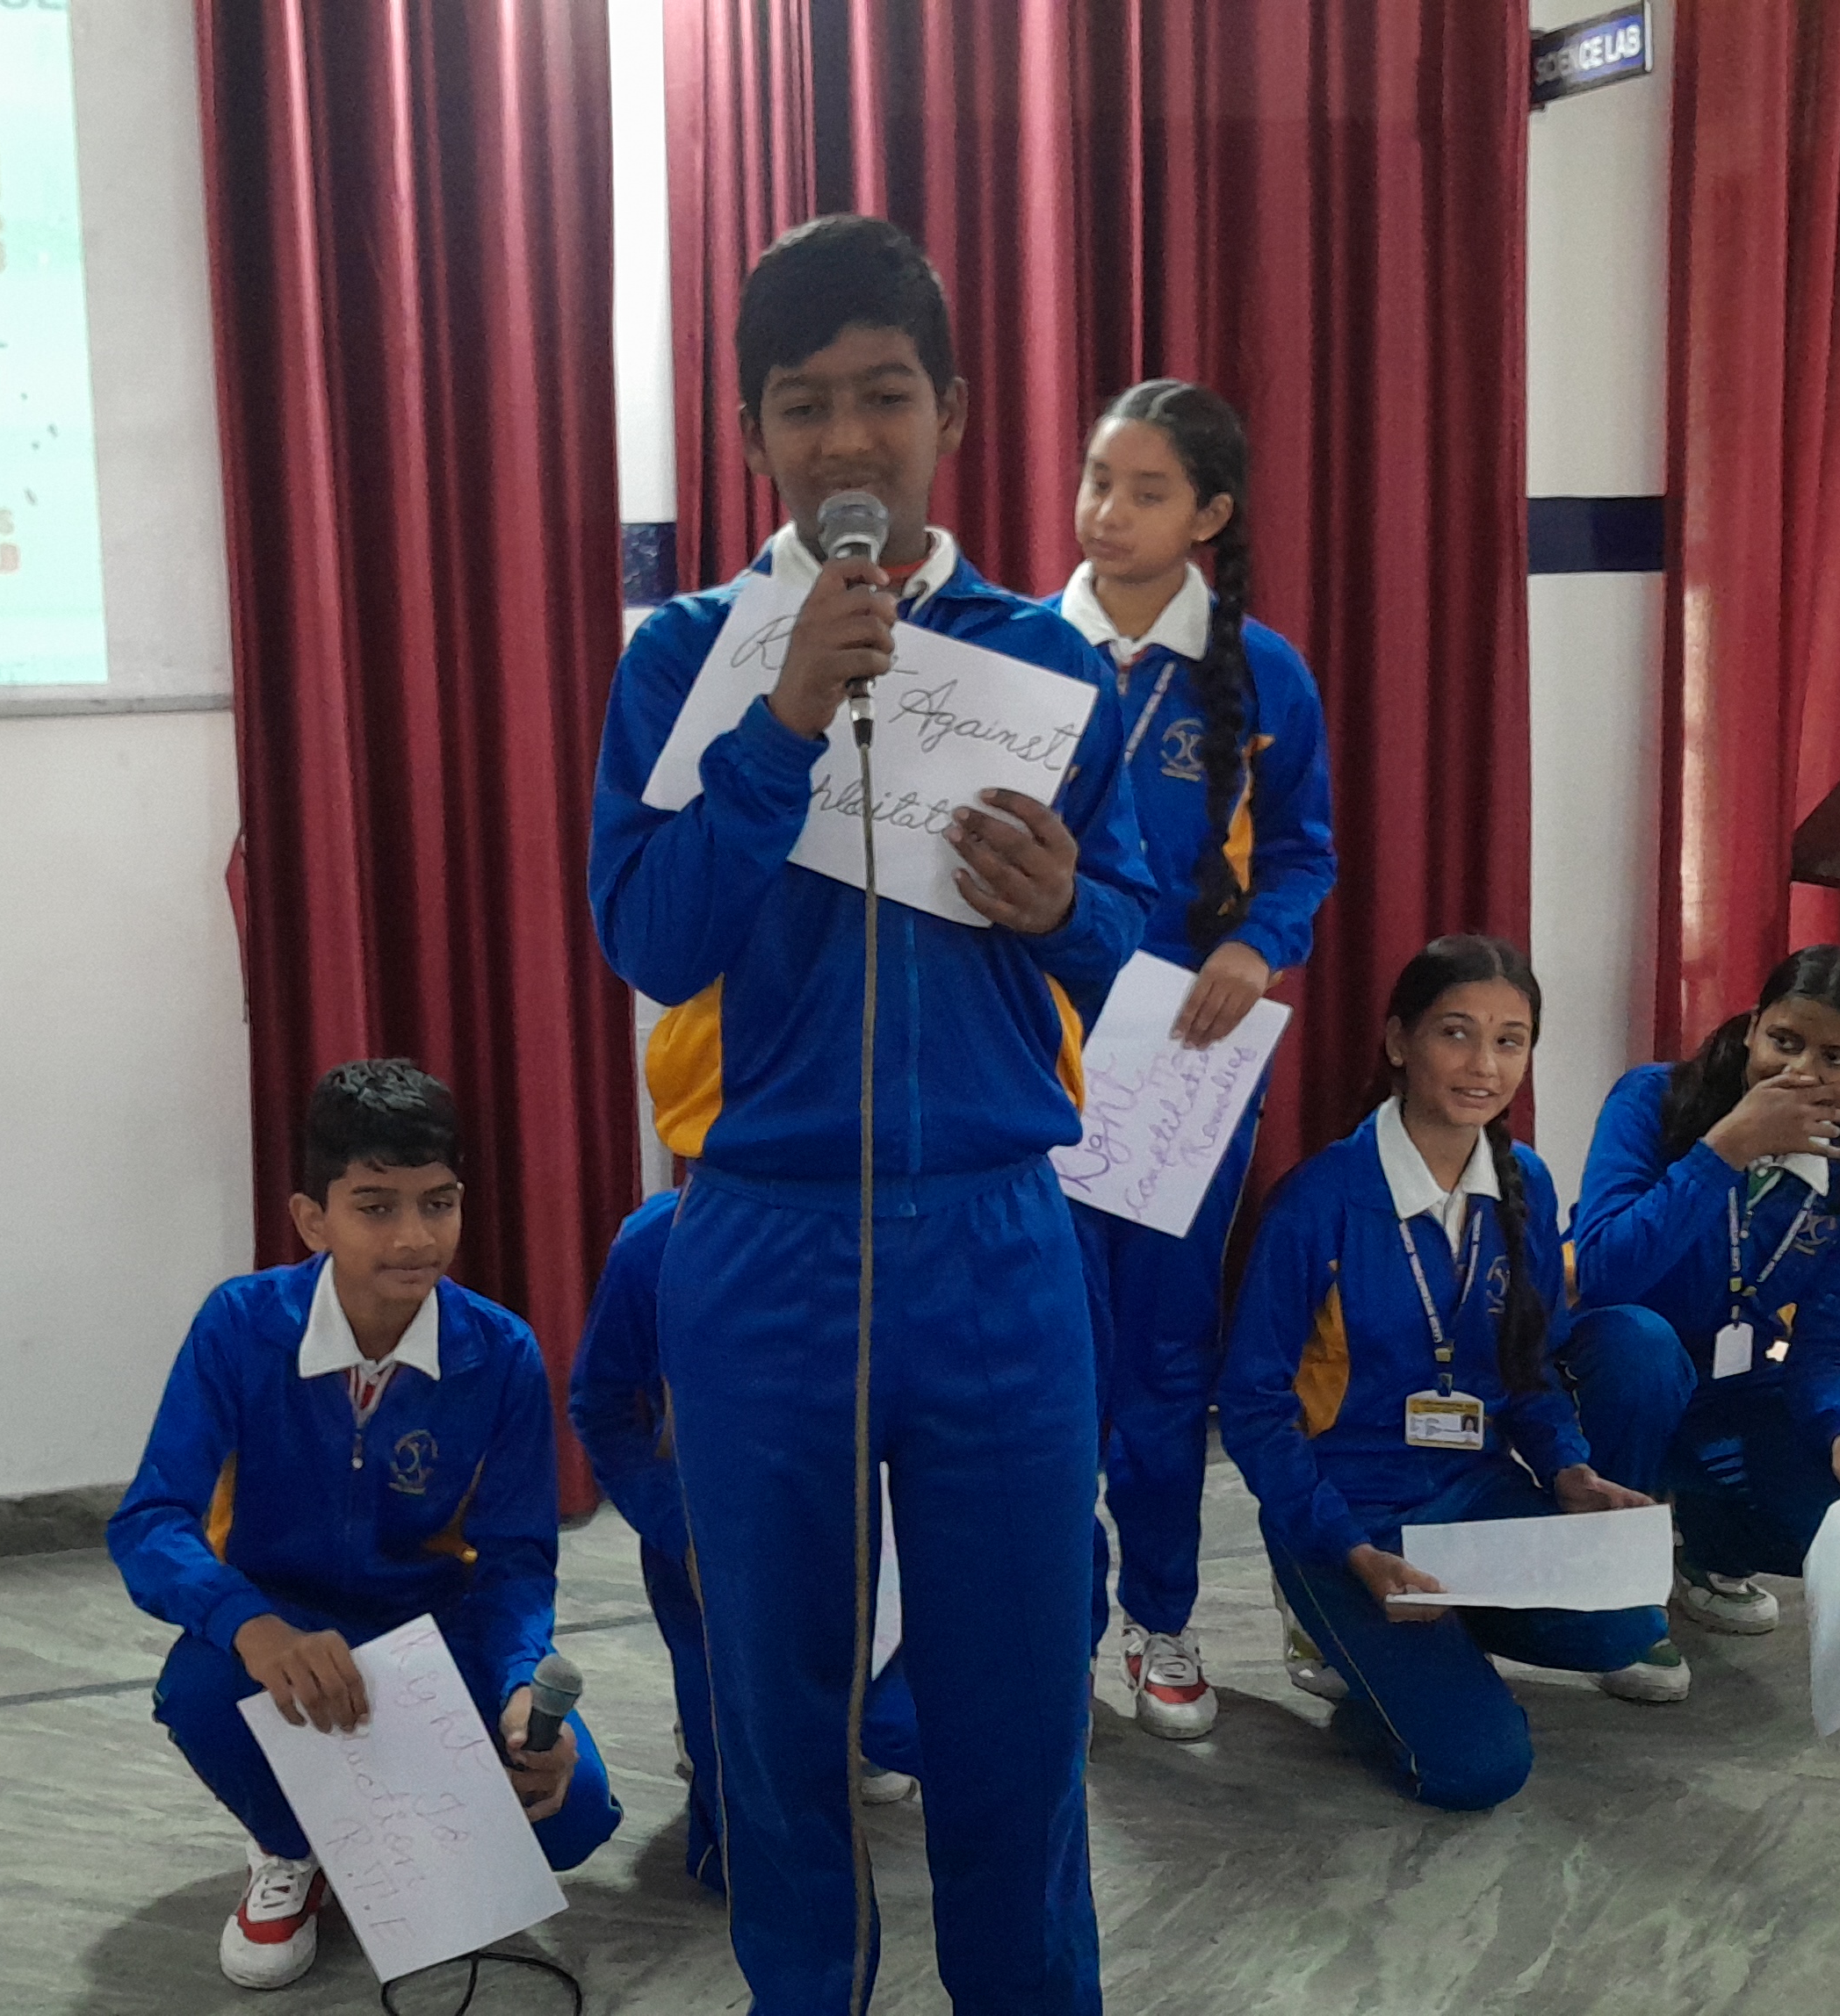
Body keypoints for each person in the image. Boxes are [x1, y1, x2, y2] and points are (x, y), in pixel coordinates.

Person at [588, 213, 1153, 2013]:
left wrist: (1067, 905)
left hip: (996, 1242)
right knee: (778, 1716)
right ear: (754, 431)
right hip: (761, 1248)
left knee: (1016, 1708)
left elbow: (1135, 952)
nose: (848, 437)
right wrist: (773, 728)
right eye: (805, 402)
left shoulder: (1046, 662)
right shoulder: (689, 654)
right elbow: (651, 939)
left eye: (885, 394)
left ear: (953, 412)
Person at [105, 1061, 620, 1992]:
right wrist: (253, 1626)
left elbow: (515, 1558)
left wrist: (516, 1684)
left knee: (571, 1809)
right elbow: (150, 1522)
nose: (415, 1237)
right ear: (313, 1219)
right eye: (376, 1207)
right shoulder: (239, 1327)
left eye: (439, 1203)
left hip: (434, 1634)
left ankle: (385, 1833)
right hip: (283, 1623)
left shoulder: (499, 1351)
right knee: (198, 1690)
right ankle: (292, 1848)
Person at [1219, 936, 1681, 1814]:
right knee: (1478, 1770)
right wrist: (1344, 1544)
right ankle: (1335, 1623)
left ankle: (1431, 1649)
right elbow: (1253, 1406)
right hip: (1350, 1515)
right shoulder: (1319, 1202)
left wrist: (1569, 1471)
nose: (1484, 1065)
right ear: (1400, 1041)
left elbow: (1532, 1367)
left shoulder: (1523, 1184)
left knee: (1629, 1626)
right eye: (1456, 1033)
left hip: (1471, 1494)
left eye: (1511, 1040)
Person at [1046, 378, 1339, 1737]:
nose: (1108, 512)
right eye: (1098, 480)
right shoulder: (1015, 651)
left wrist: (1255, 948)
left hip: (1184, 1066)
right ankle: (1051, 1626)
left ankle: (1159, 1619)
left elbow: (1302, 854)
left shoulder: (1264, 672)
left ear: (1210, 515)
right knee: (1049, 1361)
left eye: (1146, 491)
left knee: (1165, 1362)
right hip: (1035, 1056)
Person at [1563, 944, 1840, 1635]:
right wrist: (1724, 1152)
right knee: (1641, 1345)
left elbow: (1832, 1347)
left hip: (1726, 1388)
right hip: (1611, 1374)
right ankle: (1611, 1589)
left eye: (1837, 1058)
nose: (1801, 1073)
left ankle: (1709, 1546)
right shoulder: (1652, 1099)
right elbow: (1602, 1274)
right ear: (1752, 1027)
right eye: (1784, 1042)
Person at [566, 1188, 922, 1898]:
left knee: (918, 1731)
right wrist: (679, 1526)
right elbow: (602, 1406)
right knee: (754, 1866)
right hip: (718, 1547)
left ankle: (859, 1730)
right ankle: (724, 1731)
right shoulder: (656, 1242)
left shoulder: (911, 1223)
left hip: (883, 1535)